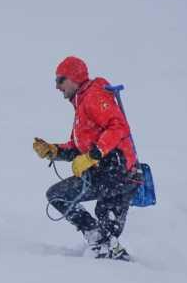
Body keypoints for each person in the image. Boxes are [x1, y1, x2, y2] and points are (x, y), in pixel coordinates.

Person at [33, 56, 140, 260]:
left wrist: (94, 155)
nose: (57, 86)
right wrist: (54, 151)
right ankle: (104, 247)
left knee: (100, 225)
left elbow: (119, 126)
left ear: (74, 78)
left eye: (60, 80)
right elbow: (78, 147)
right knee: (106, 231)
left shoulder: (93, 96)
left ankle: (106, 249)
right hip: (107, 174)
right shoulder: (81, 102)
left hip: (118, 173)